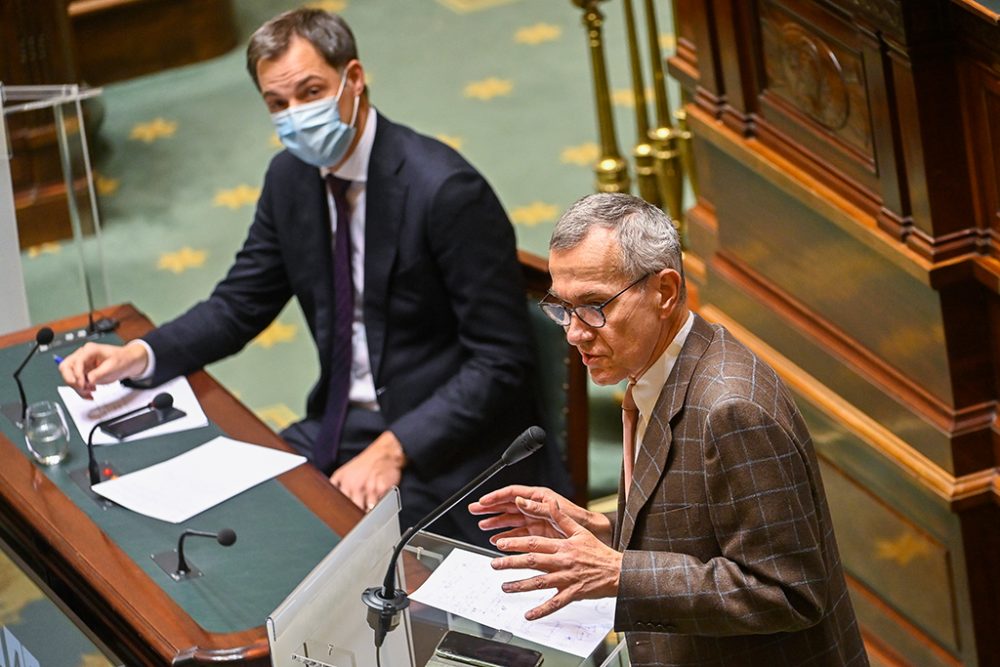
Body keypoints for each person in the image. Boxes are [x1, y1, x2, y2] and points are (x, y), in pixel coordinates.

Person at [59, 8, 568, 547]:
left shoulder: (445, 191)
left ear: (353, 78)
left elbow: (501, 362)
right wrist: (138, 355)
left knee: (335, 558)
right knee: (231, 519)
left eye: (310, 92)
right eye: (278, 104)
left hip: (445, 447)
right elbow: (239, 303)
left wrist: (395, 448)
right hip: (339, 424)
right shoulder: (290, 178)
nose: (295, 114)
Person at [470, 193, 867, 665]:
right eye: (563, 308)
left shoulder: (733, 410)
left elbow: (788, 591)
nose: (574, 332)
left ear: (664, 292)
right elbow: (699, 531)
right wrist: (602, 531)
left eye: (595, 305)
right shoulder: (653, 371)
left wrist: (620, 573)